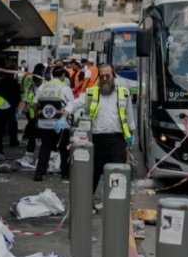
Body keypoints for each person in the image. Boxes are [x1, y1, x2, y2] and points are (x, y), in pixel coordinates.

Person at [57, 64, 136, 197]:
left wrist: (131, 136)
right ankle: (87, 203)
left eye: (107, 76)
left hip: (117, 140)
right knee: (93, 174)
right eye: (102, 76)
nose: (105, 79)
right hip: (97, 140)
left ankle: (115, 205)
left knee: (116, 174)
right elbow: (74, 104)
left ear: (113, 76)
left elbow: (129, 117)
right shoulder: (91, 92)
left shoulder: (124, 93)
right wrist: (63, 117)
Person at [33, 66, 74, 182]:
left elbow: (35, 104)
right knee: (63, 148)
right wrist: (65, 118)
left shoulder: (43, 86)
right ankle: (65, 173)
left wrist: (37, 117)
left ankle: (39, 173)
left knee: (45, 146)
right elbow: (72, 104)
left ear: (52, 74)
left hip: (44, 123)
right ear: (63, 75)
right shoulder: (65, 88)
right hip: (60, 123)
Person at [16, 64, 45, 163]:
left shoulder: (43, 87)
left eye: (39, 81)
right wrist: (19, 111)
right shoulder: (31, 88)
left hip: (40, 114)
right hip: (33, 115)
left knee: (39, 134)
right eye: (37, 82)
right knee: (33, 132)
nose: (38, 83)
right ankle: (29, 154)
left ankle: (39, 155)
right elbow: (24, 100)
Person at [0, 73, 22, 148]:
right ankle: (13, 141)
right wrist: (17, 103)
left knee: (1, 124)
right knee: (13, 123)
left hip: (2, 104)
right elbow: (18, 94)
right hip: (12, 105)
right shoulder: (14, 83)